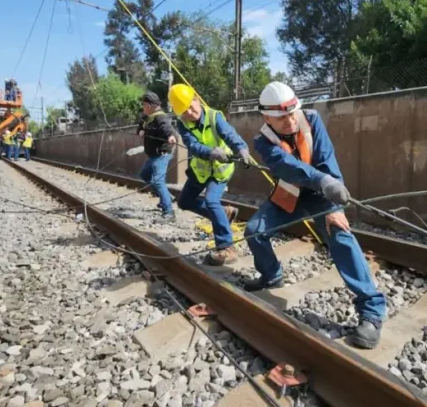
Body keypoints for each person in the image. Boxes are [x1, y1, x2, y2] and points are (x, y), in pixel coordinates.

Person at [242, 82, 387, 349]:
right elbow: (288, 166)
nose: (289, 121)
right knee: (254, 231)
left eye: (291, 114)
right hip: (289, 196)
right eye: (281, 118)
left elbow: (327, 161)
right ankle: (271, 274)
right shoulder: (262, 141)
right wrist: (321, 180)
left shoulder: (311, 120)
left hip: (321, 195)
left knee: (341, 236)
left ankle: (372, 311)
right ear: (266, 118)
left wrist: (334, 206)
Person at [169, 84, 251, 266]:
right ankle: (224, 214)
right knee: (184, 202)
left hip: (220, 172)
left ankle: (227, 247)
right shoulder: (182, 125)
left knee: (211, 201)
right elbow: (193, 146)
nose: (190, 113)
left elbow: (230, 134)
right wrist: (211, 152)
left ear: (196, 100)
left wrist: (242, 149)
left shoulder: (215, 117)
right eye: (184, 111)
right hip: (201, 171)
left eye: (191, 106)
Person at [137, 92, 178, 220]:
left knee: (157, 181)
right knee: (144, 175)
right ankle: (166, 196)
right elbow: (139, 127)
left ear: (149, 105)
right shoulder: (146, 117)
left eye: (143, 104)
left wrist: (171, 136)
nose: (142, 107)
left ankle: (169, 212)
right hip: (153, 155)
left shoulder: (161, 117)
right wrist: (141, 131)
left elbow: (167, 129)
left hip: (161, 153)